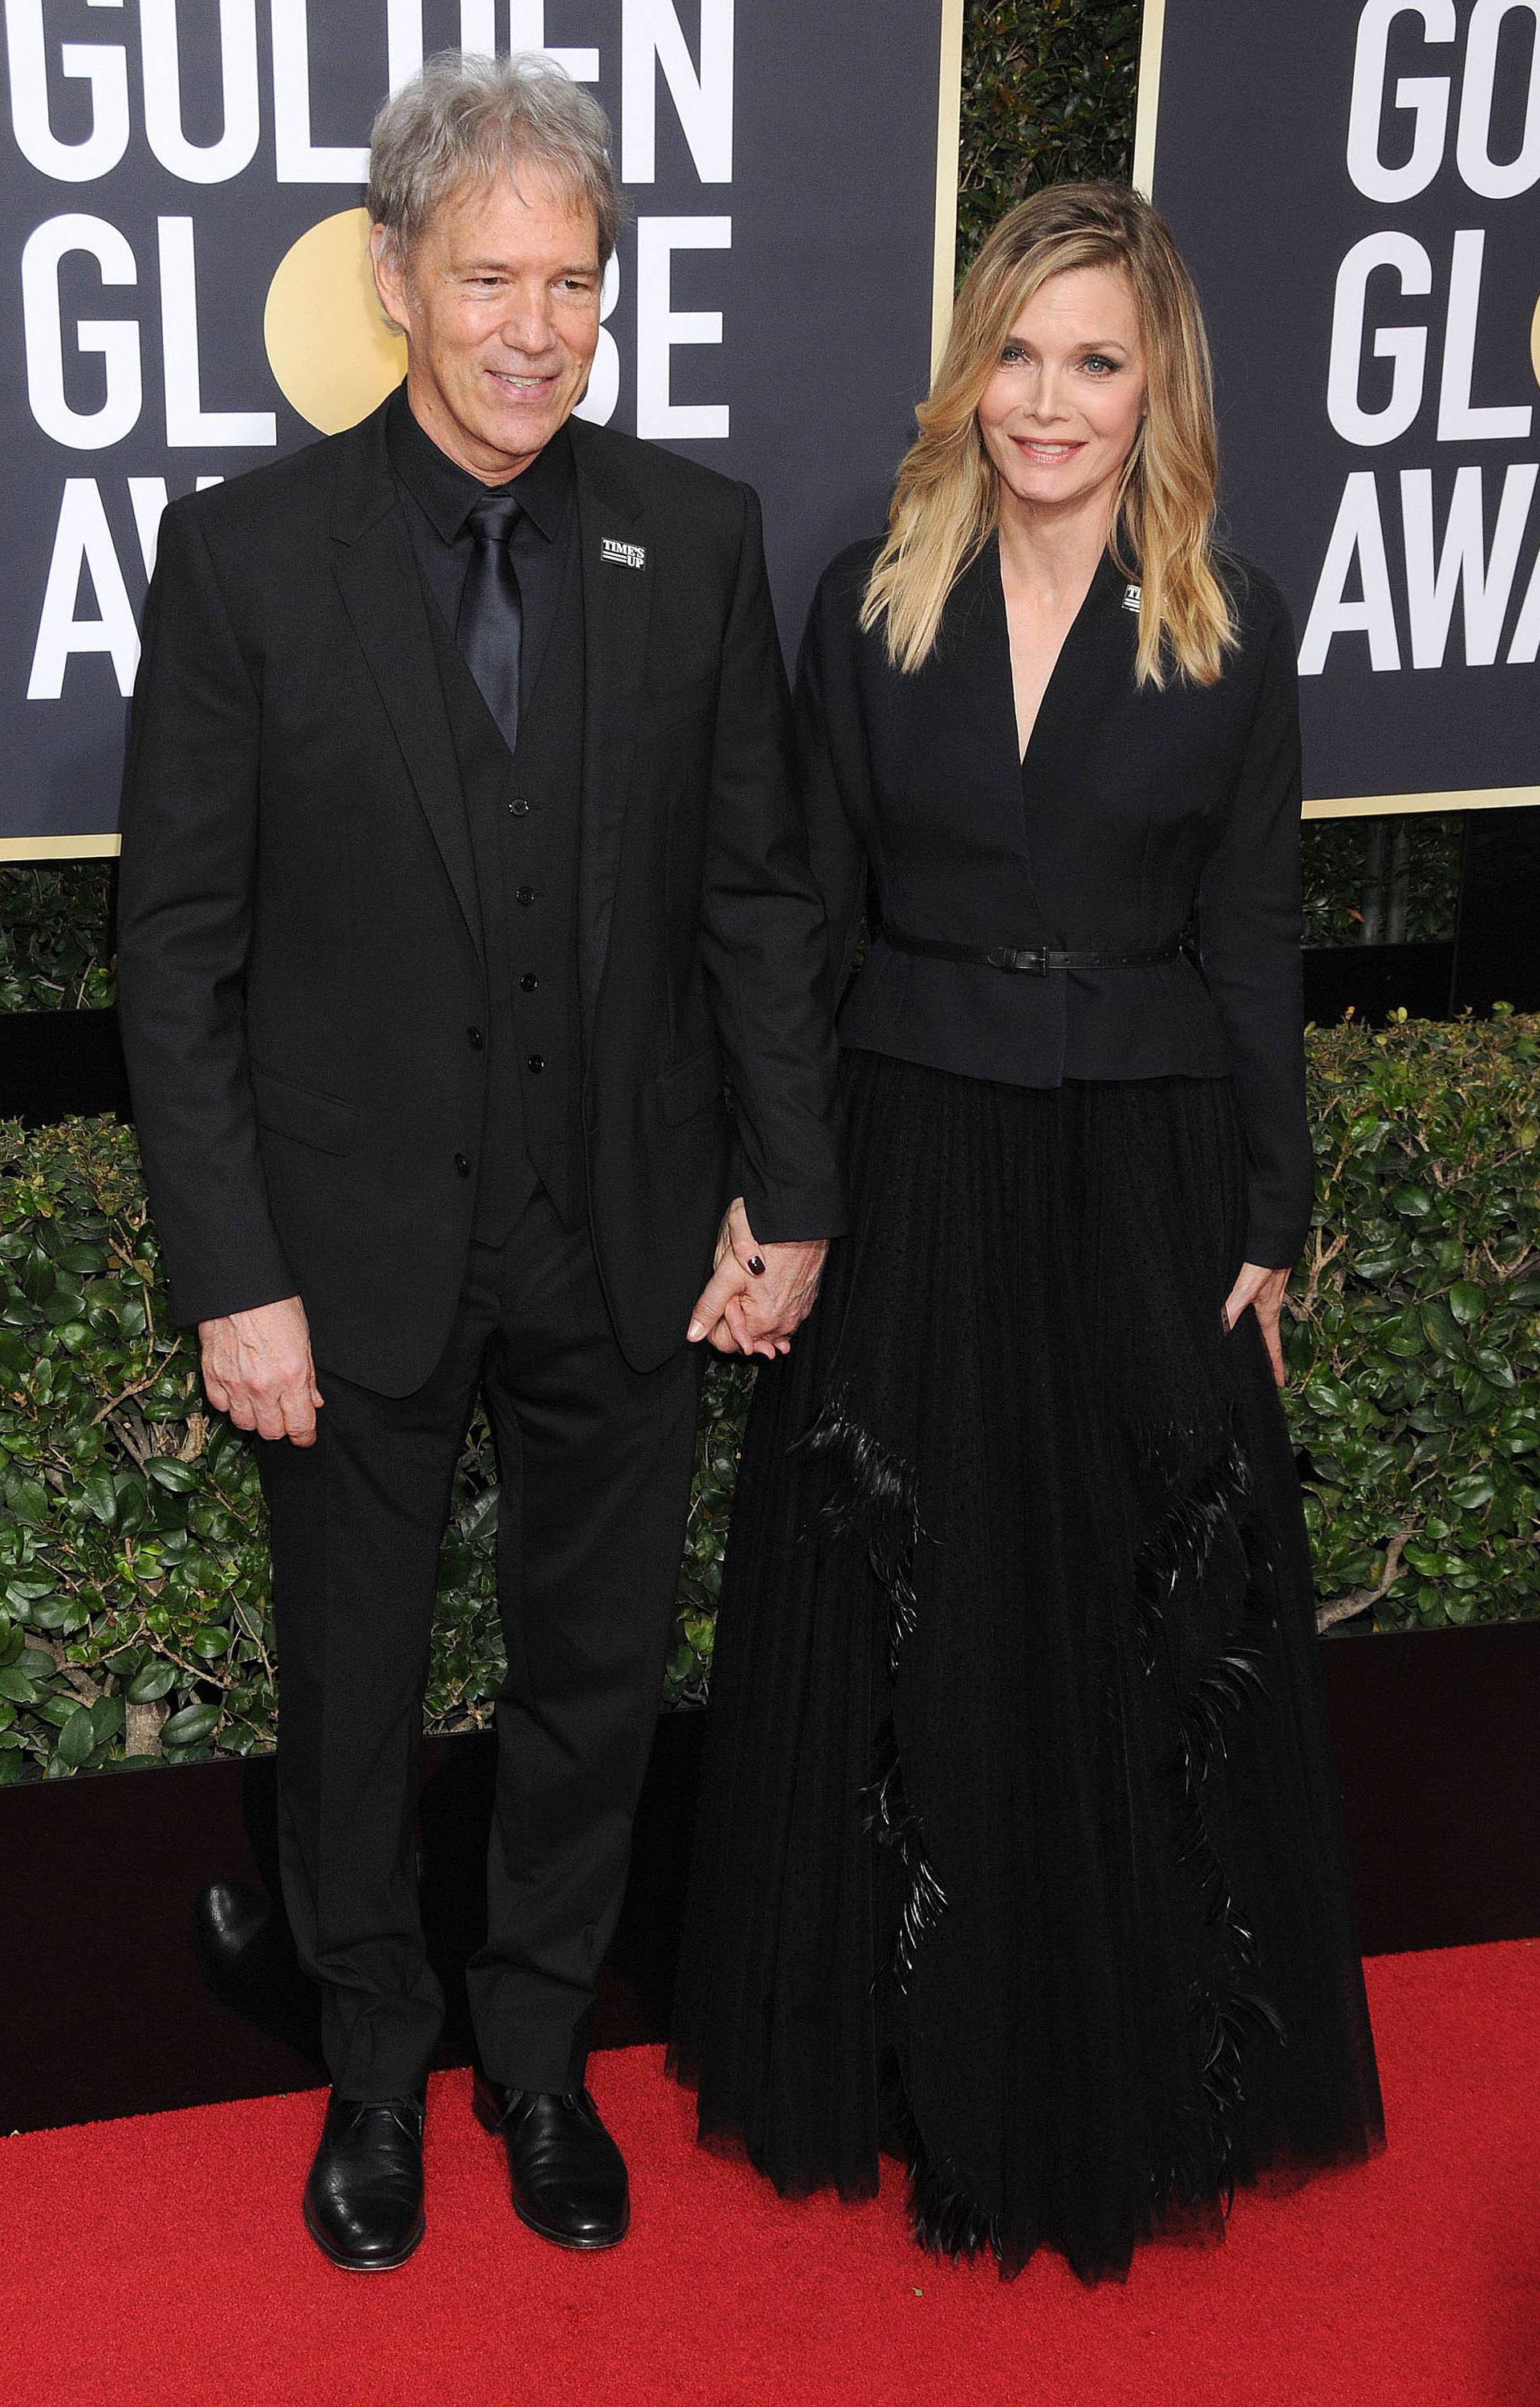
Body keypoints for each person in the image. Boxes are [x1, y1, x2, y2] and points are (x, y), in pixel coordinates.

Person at [116, 51, 841, 2271]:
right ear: (395, 280)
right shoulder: (248, 558)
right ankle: (369, 2065)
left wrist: (790, 1188)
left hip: (623, 1242)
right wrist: (234, 1270)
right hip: (343, 1263)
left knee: (592, 1673)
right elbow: (177, 954)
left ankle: (536, 2054)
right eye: (490, 276)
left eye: (574, 281)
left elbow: (756, 903)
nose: (535, 325)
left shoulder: (695, 540)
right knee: (349, 1688)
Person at [670, 181, 1384, 2285]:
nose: (1049, 400)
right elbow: (799, 925)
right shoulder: (873, 606)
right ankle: (921, 2062)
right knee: (925, 1596)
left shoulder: (1227, 621)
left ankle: (1137, 2058)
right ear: (969, 371)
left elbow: (1257, 940)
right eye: (1020, 354)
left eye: (1095, 361)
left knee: (1135, 1605)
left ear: (1152, 387)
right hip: (915, 1148)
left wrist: (1274, 1203)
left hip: (1152, 1170)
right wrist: (782, 1181)